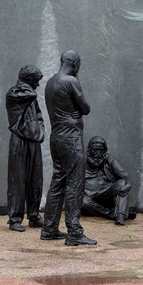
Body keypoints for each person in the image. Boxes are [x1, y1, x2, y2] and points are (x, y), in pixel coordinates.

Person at [41, 50, 96, 246]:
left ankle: (49, 228)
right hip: (71, 138)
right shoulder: (70, 81)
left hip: (56, 137)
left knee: (58, 180)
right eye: (78, 65)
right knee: (75, 182)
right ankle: (74, 231)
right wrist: (77, 79)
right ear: (75, 64)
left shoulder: (50, 82)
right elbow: (86, 108)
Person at [5, 65, 45, 232]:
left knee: (36, 179)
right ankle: (15, 218)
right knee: (17, 180)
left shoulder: (29, 96)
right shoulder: (15, 93)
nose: (38, 85)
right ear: (28, 80)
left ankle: (34, 215)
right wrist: (26, 84)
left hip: (33, 139)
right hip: (19, 140)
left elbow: (38, 115)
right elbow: (31, 93)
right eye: (36, 80)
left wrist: (40, 130)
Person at [82, 136, 136, 225]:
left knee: (122, 183)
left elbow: (125, 176)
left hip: (106, 193)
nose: (98, 153)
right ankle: (111, 213)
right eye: (95, 150)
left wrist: (128, 185)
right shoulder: (82, 160)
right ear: (89, 150)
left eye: (101, 150)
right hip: (89, 195)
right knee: (82, 202)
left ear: (104, 150)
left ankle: (120, 216)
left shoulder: (108, 159)